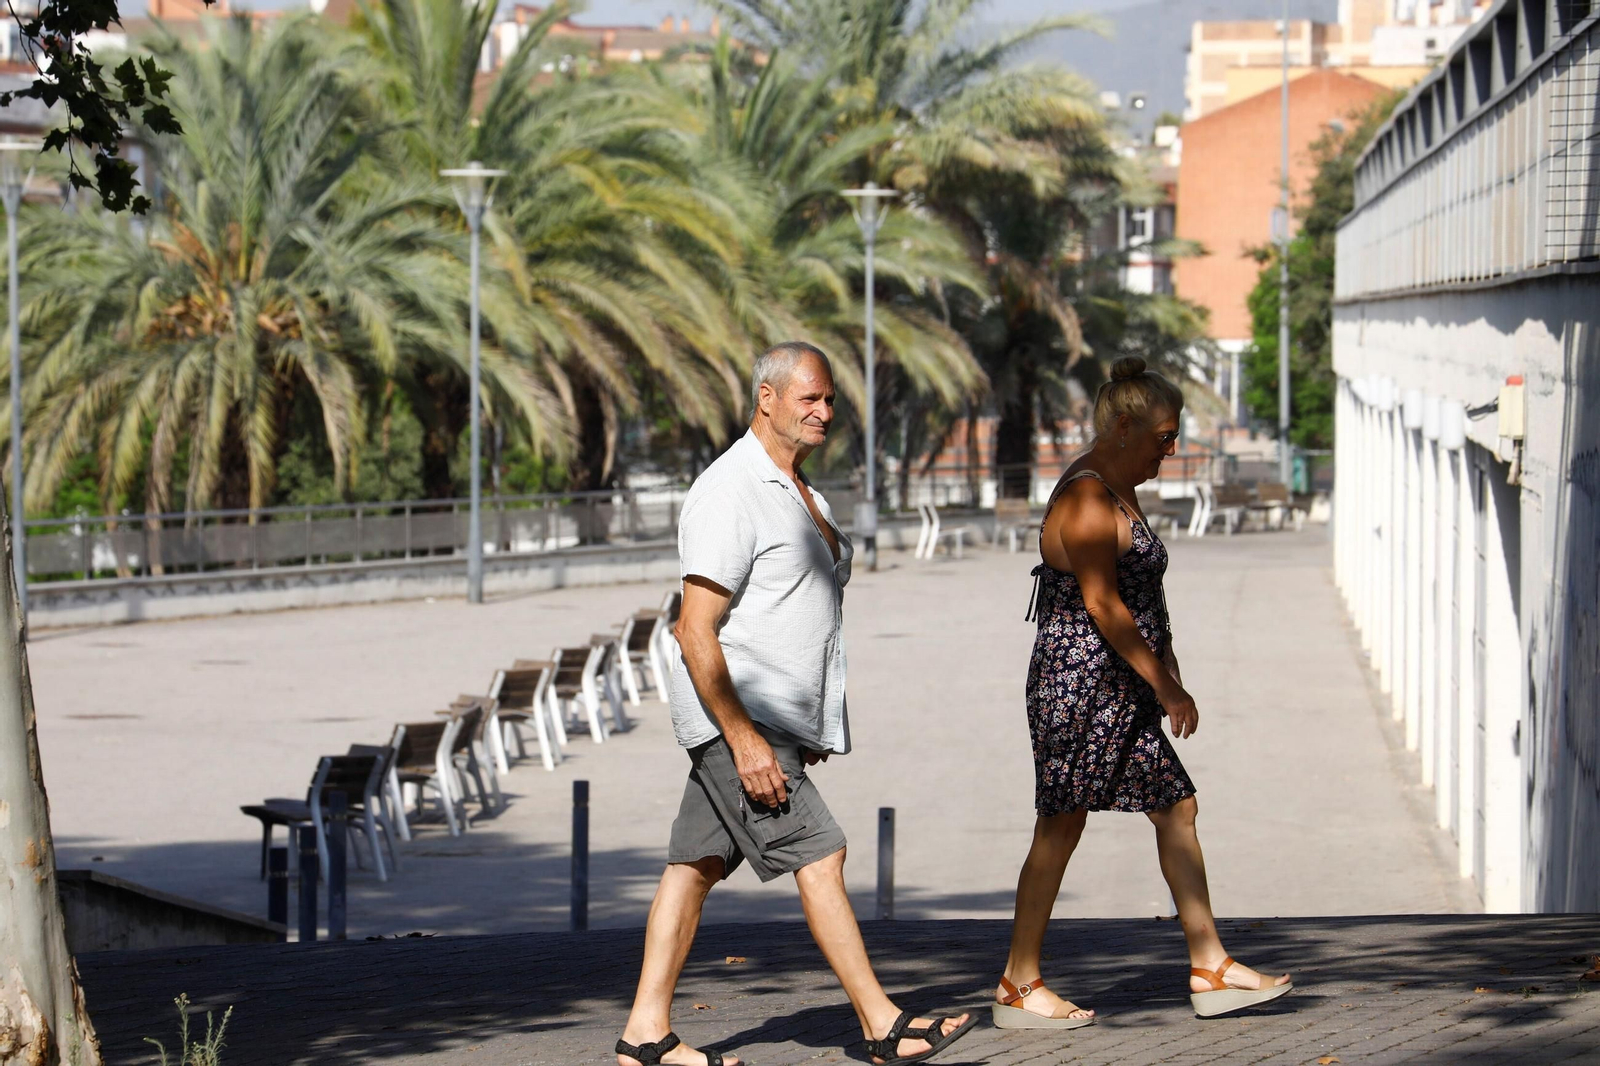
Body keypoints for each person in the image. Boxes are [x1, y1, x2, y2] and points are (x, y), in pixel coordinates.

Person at [615, 342, 976, 1066]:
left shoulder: (801, 489)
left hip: (772, 720)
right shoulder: (730, 490)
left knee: (694, 868)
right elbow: (694, 629)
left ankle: (644, 1037)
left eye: (831, 399)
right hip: (739, 722)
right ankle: (882, 1025)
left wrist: (808, 722)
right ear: (767, 399)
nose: (824, 411)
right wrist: (746, 742)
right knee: (823, 852)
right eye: (809, 398)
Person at [993, 356, 1293, 1029]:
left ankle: (1210, 965)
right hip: (1081, 688)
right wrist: (1168, 686)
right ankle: (1018, 983)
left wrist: (1165, 664)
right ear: (1125, 427)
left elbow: (1139, 594)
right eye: (1163, 436)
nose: (1172, 449)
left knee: (1176, 807)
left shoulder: (1115, 492)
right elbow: (1102, 604)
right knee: (1060, 825)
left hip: (1116, 690)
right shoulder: (1089, 497)